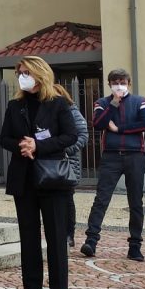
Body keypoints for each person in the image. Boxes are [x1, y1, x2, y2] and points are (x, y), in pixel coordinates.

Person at [0, 56, 78, 289]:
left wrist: (39, 145)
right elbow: (4, 138)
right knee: (29, 235)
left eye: (26, 72)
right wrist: (22, 145)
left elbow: (70, 136)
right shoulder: (14, 105)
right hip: (24, 178)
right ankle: (31, 287)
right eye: (20, 73)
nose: (22, 76)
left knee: (55, 236)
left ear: (39, 74)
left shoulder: (58, 104)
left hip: (52, 176)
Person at [81, 67, 145, 261]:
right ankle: (91, 241)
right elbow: (98, 124)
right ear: (109, 84)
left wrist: (119, 128)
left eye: (122, 82)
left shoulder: (140, 101)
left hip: (135, 156)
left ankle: (135, 245)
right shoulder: (102, 102)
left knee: (135, 202)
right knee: (101, 199)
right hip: (111, 156)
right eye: (115, 82)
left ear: (129, 83)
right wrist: (113, 104)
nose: (119, 85)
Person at [60, 85, 89, 248]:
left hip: (68, 162)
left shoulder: (72, 111)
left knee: (67, 199)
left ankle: (69, 234)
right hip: (50, 161)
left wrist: (66, 150)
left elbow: (83, 135)